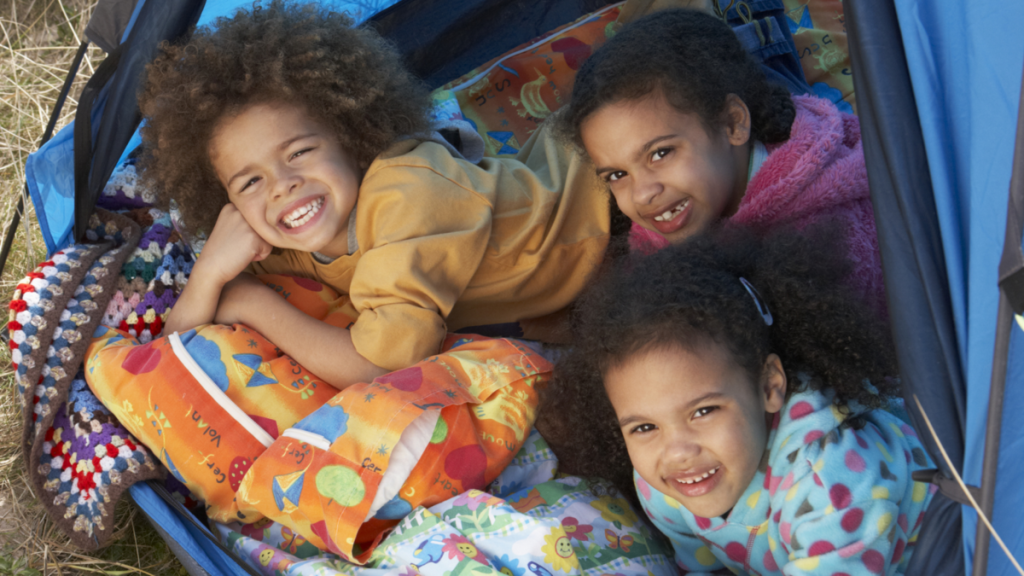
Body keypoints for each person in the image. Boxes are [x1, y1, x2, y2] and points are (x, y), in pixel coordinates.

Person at [139, 1, 618, 389]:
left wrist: (248, 302)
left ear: (351, 138)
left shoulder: (405, 193)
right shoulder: (280, 240)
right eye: (249, 182)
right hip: (566, 285)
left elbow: (381, 368)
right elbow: (169, 354)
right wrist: (208, 275)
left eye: (300, 151)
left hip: (605, 191)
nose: (282, 184)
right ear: (225, 201)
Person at [541, 226, 934, 575]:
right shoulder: (661, 487)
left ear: (769, 387)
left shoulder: (833, 480)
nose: (677, 452)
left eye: (703, 411)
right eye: (645, 427)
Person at [556, 9, 884, 313]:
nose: (642, 194)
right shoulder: (664, 228)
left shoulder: (832, 237)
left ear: (732, 123)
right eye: (616, 174)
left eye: (660, 153)